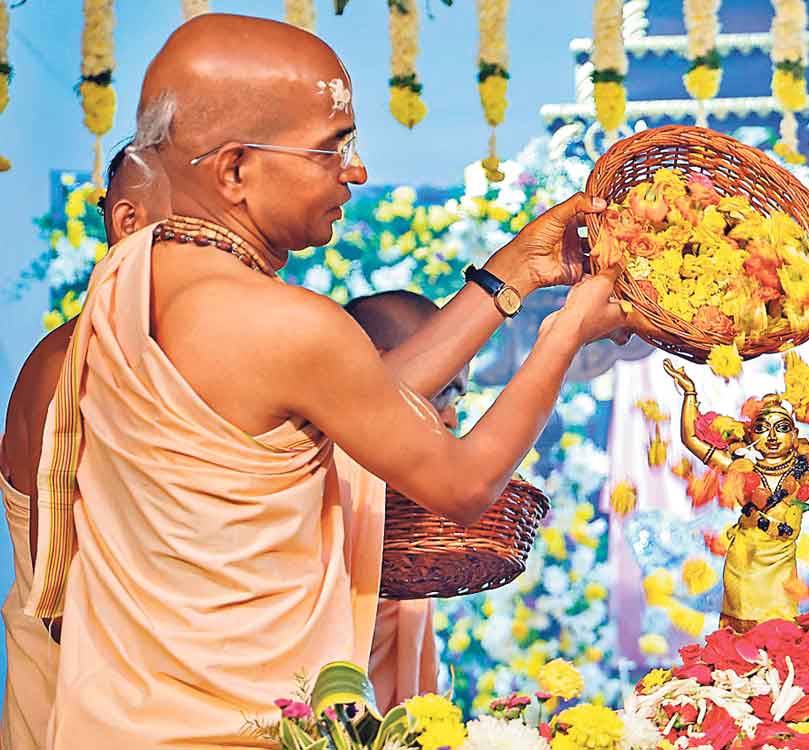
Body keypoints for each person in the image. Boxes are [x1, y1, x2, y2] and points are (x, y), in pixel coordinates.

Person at [27, 14, 630, 748]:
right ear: (235, 171)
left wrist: (518, 272)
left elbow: (361, 404)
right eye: (331, 148)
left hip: (113, 723)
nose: (356, 171)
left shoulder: (127, 293)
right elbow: (465, 485)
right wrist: (566, 330)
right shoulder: (283, 323)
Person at [0, 145, 170, 750]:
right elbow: (63, 607)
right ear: (129, 223)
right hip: (77, 714)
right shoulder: (69, 365)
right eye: (203, 229)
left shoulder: (161, 359)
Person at [663, 356, 809, 633]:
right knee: (740, 639)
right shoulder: (740, 467)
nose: (771, 435)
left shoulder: (803, 474)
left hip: (782, 567)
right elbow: (692, 440)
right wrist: (689, 393)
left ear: (795, 436)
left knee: (779, 639)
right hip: (742, 565)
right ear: (751, 435)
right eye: (762, 428)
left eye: (781, 428)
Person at [344, 290, 463, 710]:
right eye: (443, 391)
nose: (451, 418)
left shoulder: (404, 526)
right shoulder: (304, 475)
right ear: (381, 365)